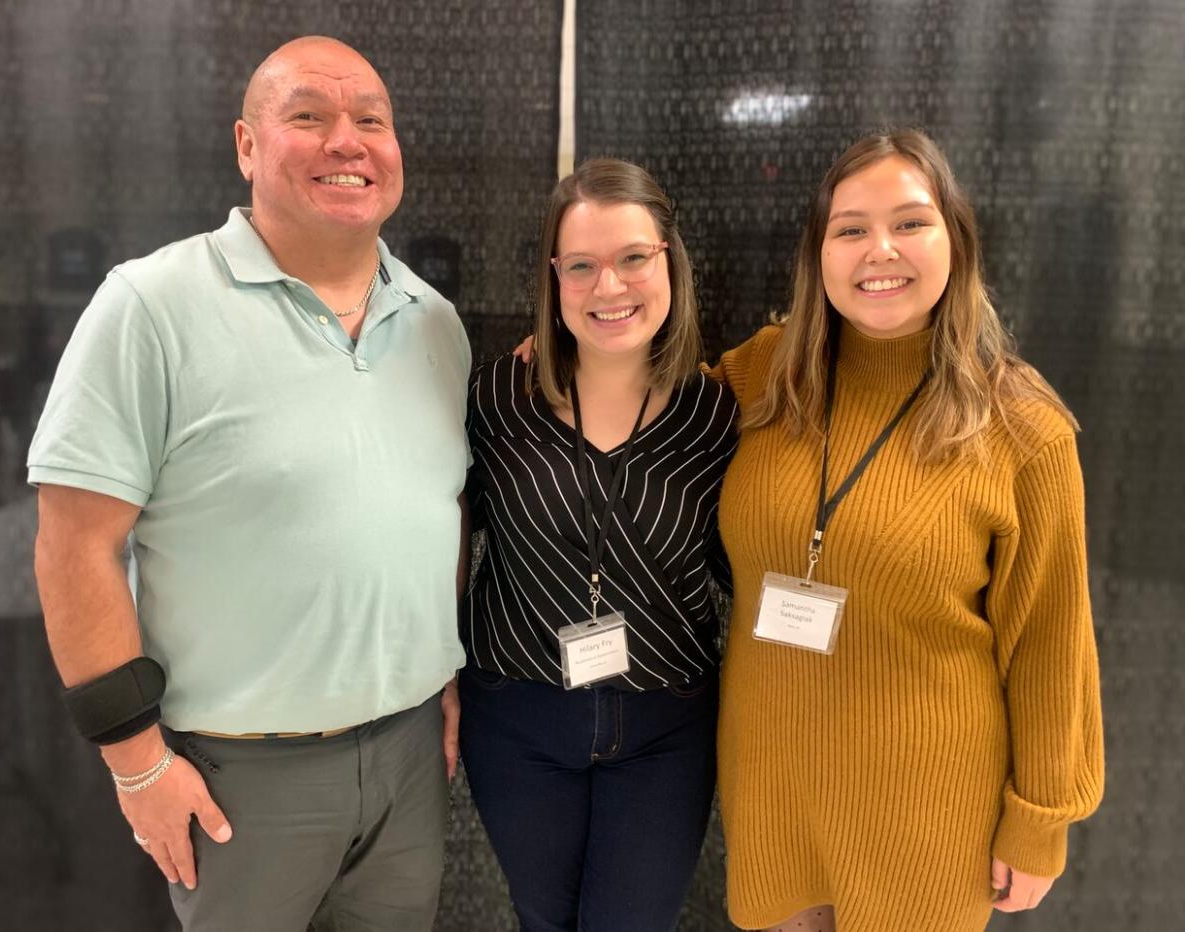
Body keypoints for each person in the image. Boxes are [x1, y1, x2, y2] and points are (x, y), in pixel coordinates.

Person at [28, 36, 470, 932]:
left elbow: (437, 511)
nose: (348, 141)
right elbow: (75, 544)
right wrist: (136, 764)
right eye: (309, 116)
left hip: (412, 756)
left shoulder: (437, 323)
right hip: (240, 779)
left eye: (371, 121)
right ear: (246, 144)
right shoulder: (149, 305)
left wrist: (443, 668)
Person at [709, 128, 1104, 931]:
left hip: (926, 810)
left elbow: (1052, 640)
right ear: (818, 255)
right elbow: (634, 394)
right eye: (850, 228)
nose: (878, 249)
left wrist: (1039, 819)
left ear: (953, 238)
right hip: (775, 790)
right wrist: (563, 350)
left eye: (910, 222)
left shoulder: (1022, 426)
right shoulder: (763, 374)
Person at [463, 158, 738, 932]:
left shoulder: (717, 414)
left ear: (669, 262)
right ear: (554, 278)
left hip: (665, 726)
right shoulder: (498, 396)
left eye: (631, 259)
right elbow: (438, 530)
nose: (608, 288)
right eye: (581, 266)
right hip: (517, 716)